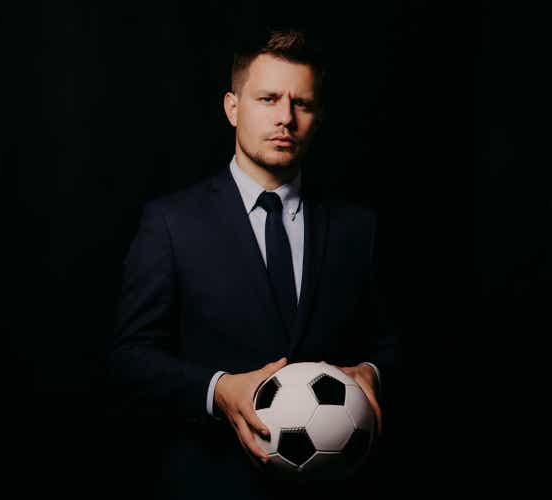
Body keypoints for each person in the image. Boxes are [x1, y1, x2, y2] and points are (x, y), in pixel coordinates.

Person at [106, 28, 398, 500]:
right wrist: (217, 390)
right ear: (232, 107)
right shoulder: (170, 223)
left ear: (318, 117)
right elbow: (129, 359)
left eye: (301, 104)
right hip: (211, 485)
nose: (286, 118)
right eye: (267, 99)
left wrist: (373, 372)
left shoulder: (357, 229)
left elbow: (395, 344)